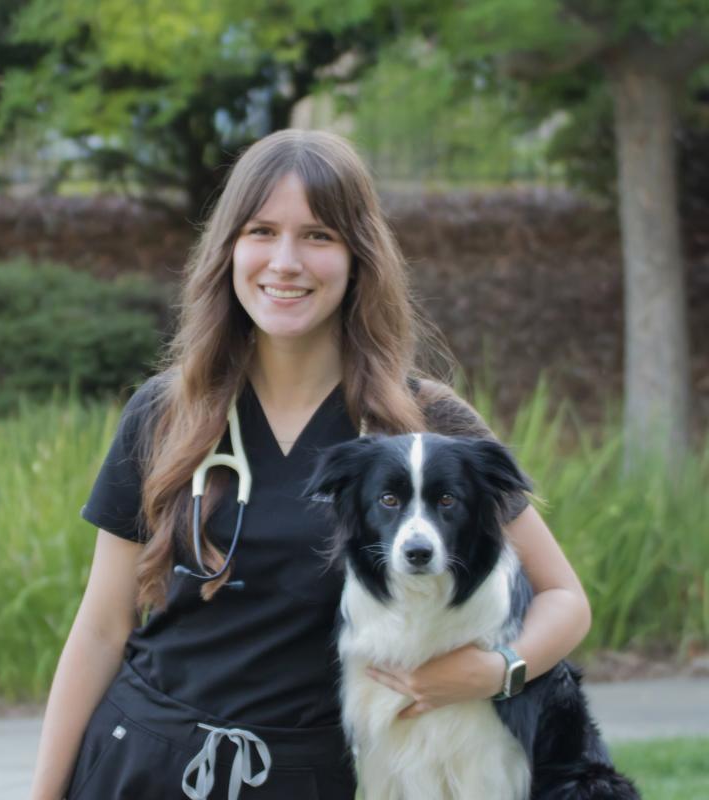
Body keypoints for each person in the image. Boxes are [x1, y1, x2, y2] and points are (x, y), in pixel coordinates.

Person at [29, 129, 592, 800]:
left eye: (319, 236)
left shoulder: (423, 427)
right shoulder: (165, 412)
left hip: (312, 776)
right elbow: (100, 628)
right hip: (139, 764)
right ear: (229, 249)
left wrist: (498, 670)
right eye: (262, 231)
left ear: (359, 257)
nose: (285, 262)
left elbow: (565, 600)